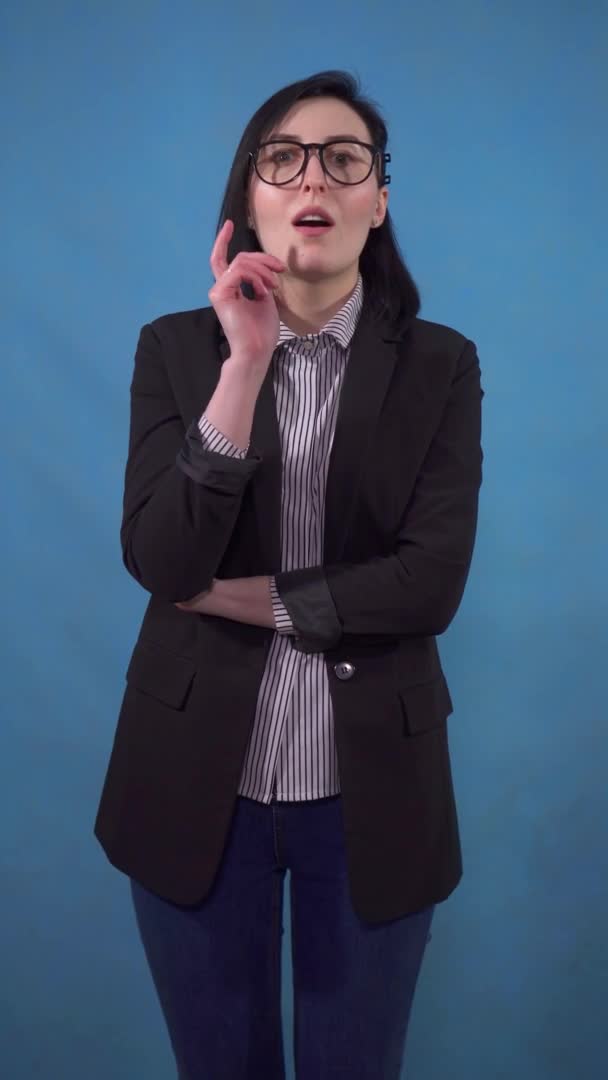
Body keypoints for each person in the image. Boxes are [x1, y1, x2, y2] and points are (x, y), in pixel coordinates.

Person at [94, 69, 484, 1079]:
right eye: (283, 158)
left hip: (371, 799)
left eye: (343, 159)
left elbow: (429, 583)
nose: (314, 177)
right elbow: (162, 558)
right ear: (252, 197)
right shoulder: (175, 352)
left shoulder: (440, 366)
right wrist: (244, 364)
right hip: (190, 790)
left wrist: (245, 599)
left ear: (376, 200)